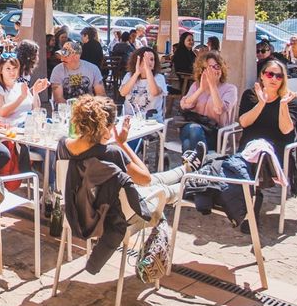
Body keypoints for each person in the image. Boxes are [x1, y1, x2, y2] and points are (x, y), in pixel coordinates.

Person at [58, 96, 205, 274]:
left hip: (78, 209)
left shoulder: (63, 145)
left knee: (156, 181)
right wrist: (122, 143)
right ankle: (194, 179)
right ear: (105, 128)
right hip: (111, 214)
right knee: (161, 190)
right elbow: (145, 178)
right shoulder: (111, 153)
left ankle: (186, 169)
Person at [237, 58, 297, 167]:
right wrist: (261, 104)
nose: (274, 79)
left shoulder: (290, 99)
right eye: (270, 74)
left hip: (277, 151)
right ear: (262, 76)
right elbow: (243, 123)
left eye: (279, 76)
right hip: (250, 148)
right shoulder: (250, 95)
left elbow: (286, 130)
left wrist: (283, 105)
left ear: (283, 80)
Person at [178, 50, 238, 155]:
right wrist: (201, 89)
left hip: (215, 133)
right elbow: (184, 105)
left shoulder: (230, 89)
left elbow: (219, 109)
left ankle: (191, 167)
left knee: (188, 144)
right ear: (202, 71)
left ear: (222, 68)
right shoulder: (196, 86)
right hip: (192, 127)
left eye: (216, 66)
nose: (213, 70)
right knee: (194, 130)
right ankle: (199, 167)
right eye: (208, 67)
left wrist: (213, 86)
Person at [0, 52, 49, 128]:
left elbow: (36, 110)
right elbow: (2, 112)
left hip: (31, 124)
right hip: (13, 129)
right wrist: (21, 98)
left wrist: (35, 92)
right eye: (8, 68)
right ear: (1, 70)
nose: (12, 72)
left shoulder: (21, 85)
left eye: (15, 68)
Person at [49, 40, 106, 104]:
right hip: (65, 109)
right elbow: (58, 98)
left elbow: (101, 95)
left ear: (76, 56)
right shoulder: (57, 70)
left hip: (87, 108)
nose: (62, 59)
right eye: (62, 54)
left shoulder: (93, 69)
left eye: (66, 55)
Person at [120, 45, 167, 121]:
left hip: (152, 122)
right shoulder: (129, 76)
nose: (149, 62)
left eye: (152, 59)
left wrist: (148, 70)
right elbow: (123, 93)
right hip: (129, 120)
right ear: (137, 61)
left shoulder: (159, 78)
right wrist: (136, 73)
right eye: (145, 59)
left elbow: (155, 92)